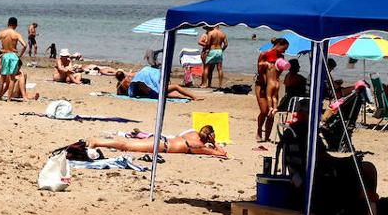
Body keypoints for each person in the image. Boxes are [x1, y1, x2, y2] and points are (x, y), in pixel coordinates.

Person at [89, 125, 227, 157]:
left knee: (128, 145)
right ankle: (97, 142)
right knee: (127, 146)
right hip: (162, 145)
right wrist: (214, 143)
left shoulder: (192, 134)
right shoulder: (199, 146)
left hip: (162, 140)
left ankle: (98, 142)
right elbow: (222, 154)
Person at [255, 37, 290, 141]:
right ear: (278, 45)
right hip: (261, 85)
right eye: (284, 48)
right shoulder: (264, 54)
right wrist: (265, 65)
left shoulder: (281, 57)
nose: (285, 51)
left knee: (272, 112)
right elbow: (260, 71)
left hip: (272, 84)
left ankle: (267, 136)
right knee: (264, 111)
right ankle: (259, 131)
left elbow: (277, 72)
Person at [0, 17, 26, 101]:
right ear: (16, 25)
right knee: (12, 78)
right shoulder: (17, 34)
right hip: (13, 55)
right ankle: (9, 99)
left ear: (8, 24)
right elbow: (24, 45)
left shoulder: (2, 33)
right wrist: (20, 55)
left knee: (2, 77)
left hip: (5, 55)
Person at [114, 67, 201, 100]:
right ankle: (194, 97)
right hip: (154, 93)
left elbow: (119, 93)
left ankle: (187, 97)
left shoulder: (121, 85)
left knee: (173, 94)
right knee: (176, 87)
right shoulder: (133, 81)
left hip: (151, 94)